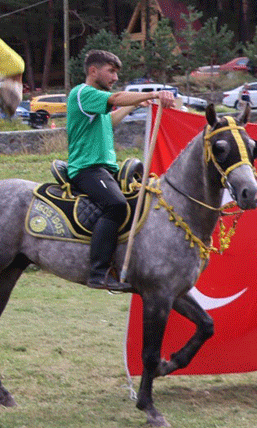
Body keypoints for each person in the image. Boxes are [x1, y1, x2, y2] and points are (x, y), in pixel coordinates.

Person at [67, 49, 177, 291]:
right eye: (111, 71)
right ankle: (98, 273)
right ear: (93, 71)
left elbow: (110, 120)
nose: (115, 77)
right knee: (116, 205)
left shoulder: (96, 103)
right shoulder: (83, 93)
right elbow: (116, 97)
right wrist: (154, 93)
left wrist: (138, 104)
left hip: (105, 170)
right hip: (87, 169)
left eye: (117, 72)